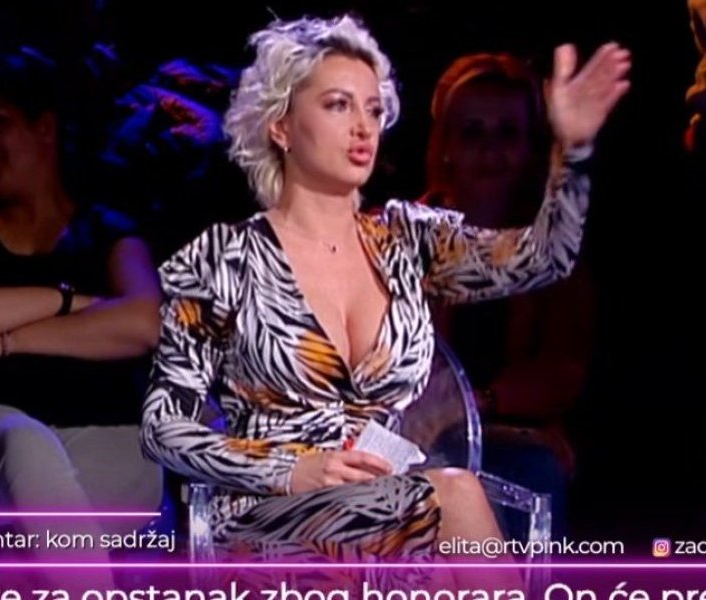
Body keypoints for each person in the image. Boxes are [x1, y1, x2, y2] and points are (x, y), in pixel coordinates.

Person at [140, 14, 629, 584]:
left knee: (436, 529)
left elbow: (544, 258)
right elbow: (162, 427)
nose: (362, 127)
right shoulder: (223, 259)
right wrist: (291, 468)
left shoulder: (408, 240)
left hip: (392, 511)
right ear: (281, 125)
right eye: (338, 105)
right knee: (452, 499)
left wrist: (573, 151)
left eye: (373, 110)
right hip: (272, 519)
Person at [0, 51, 162, 571]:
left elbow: (144, 322)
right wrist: (71, 301)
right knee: (24, 440)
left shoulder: (109, 230)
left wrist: (9, 339)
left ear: (44, 128)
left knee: (68, 481)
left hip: (102, 441)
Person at [423, 53, 596, 538]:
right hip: (409, 437)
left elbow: (562, 371)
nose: (490, 149)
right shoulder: (397, 237)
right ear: (446, 145)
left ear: (528, 147)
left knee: (535, 470)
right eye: (472, 132)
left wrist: (476, 406)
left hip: (505, 435)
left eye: (507, 133)